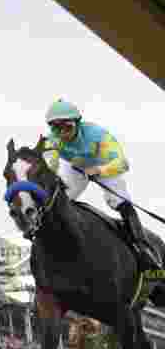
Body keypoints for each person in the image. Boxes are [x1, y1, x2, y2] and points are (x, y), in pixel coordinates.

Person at [41, 99, 163, 277]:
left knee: (118, 200)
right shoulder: (51, 140)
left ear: (78, 123)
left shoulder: (98, 135)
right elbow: (50, 164)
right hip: (75, 166)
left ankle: (144, 249)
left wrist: (98, 170)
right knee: (60, 197)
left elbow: (123, 163)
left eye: (67, 127)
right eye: (55, 128)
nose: (62, 133)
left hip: (104, 164)